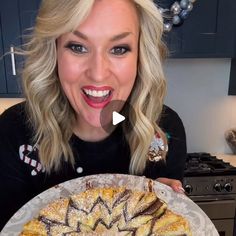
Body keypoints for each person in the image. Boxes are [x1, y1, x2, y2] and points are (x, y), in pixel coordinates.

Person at [0, 0, 187, 231]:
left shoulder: (164, 129)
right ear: (54, 50)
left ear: (140, 56)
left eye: (119, 49)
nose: (98, 74)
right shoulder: (14, 132)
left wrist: (162, 220)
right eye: (77, 46)